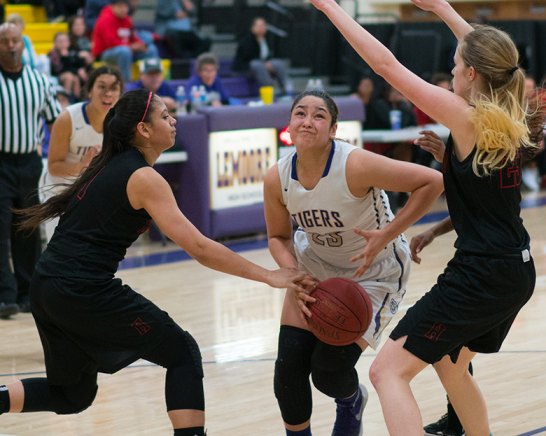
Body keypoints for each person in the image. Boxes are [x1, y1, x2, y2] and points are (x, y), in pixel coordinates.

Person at [0, 89, 312, 436]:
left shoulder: (110, 167)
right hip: (80, 288)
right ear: (143, 130)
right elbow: (200, 247)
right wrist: (269, 275)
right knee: (182, 352)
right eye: (164, 116)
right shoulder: (143, 177)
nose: (173, 120)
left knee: (72, 394)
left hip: (49, 286)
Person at [310, 1, 546, 434]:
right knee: (452, 367)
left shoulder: (469, 119)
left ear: (471, 74)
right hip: (514, 269)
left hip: (482, 275)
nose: (451, 71)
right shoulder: (509, 114)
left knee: (387, 373)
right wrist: (441, 8)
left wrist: (329, 7)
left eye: (456, 64)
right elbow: (489, 54)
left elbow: (386, 65)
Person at [264, 89, 443, 436]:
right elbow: (278, 237)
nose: (308, 120)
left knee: (328, 372)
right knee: (288, 370)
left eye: (319, 116)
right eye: (300, 113)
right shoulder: (277, 177)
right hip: (315, 268)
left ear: (333, 129)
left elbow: (431, 182)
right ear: (289, 124)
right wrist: (294, 273)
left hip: (373, 273)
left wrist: (387, 234)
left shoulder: (355, 164)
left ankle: (350, 400)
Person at [0, 23, 61, 318]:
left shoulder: (40, 82)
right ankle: (4, 296)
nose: (11, 46)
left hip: (29, 162)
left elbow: (55, 123)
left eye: (15, 41)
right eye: (5, 41)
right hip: (0, 162)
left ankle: (27, 293)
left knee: (26, 229)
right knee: (0, 231)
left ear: (23, 45)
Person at [40, 65, 124, 242]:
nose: (108, 93)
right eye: (101, 86)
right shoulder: (68, 118)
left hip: (92, 194)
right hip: (60, 192)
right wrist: (83, 166)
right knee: (59, 252)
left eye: (114, 88)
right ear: (89, 91)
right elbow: (54, 167)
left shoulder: (120, 124)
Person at [91, 0, 158, 82]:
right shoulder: (105, 19)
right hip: (105, 54)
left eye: (125, 7)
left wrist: (140, 45)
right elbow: (111, 42)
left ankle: (151, 81)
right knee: (124, 51)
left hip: (127, 50)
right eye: (120, 6)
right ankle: (126, 84)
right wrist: (131, 47)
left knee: (150, 49)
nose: (123, 9)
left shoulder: (127, 19)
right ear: (113, 7)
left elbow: (133, 37)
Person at [233, 17, 290, 95]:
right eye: (258, 26)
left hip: (263, 65)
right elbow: (248, 57)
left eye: (263, 26)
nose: (261, 28)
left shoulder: (268, 39)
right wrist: (264, 64)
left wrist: (268, 62)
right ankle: (270, 89)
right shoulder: (246, 40)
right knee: (256, 64)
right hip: (246, 67)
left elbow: (270, 55)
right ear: (252, 28)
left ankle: (285, 89)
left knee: (278, 63)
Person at [47, 31, 88, 100]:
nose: (63, 43)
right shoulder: (53, 54)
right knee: (69, 76)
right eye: (60, 41)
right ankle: (66, 99)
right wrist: (64, 57)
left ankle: (77, 100)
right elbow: (58, 70)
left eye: (65, 41)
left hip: (72, 75)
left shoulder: (72, 52)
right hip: (57, 76)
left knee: (75, 78)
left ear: (69, 42)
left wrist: (81, 69)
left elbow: (79, 64)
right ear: (55, 43)